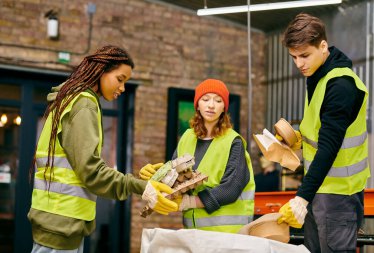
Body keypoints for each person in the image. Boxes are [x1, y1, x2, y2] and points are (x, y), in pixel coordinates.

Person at [28, 45, 178, 252]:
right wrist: (142, 187)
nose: (123, 88)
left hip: (57, 220)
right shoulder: (84, 104)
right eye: (120, 79)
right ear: (101, 70)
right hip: (61, 223)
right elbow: (91, 171)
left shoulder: (72, 99)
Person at [277, 13, 370, 253]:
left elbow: (329, 146)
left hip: (338, 196)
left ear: (323, 46)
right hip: (319, 190)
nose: (299, 64)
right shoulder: (317, 77)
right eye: (294, 57)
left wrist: (301, 197)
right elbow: (318, 132)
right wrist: (295, 141)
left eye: (304, 55)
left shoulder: (340, 85)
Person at [140, 79, 255, 233]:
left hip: (229, 234)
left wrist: (189, 202)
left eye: (218, 100)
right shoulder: (187, 137)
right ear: (198, 105)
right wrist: (156, 176)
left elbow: (231, 189)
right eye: (206, 99)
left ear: (224, 108)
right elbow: (176, 178)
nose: (211, 105)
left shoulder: (233, 142)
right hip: (193, 232)